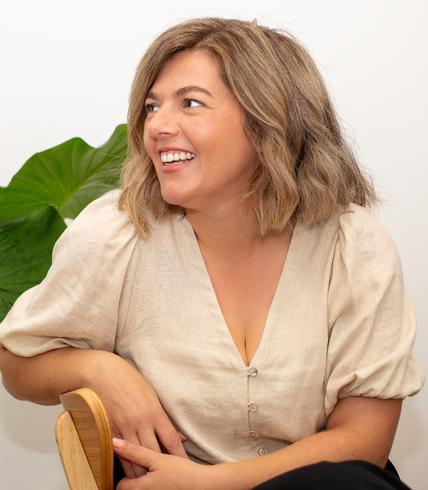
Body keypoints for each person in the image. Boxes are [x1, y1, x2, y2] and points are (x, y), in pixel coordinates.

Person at [0, 16, 424, 490]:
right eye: (152, 107)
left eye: (191, 103)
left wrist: (207, 484)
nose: (158, 125)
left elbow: (365, 440)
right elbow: (18, 362)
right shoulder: (118, 234)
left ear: (267, 121)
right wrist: (98, 367)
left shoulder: (354, 245)